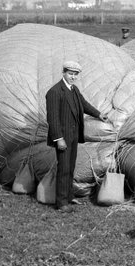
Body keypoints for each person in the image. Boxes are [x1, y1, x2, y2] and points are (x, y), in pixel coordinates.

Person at [44, 60, 108, 212]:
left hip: (73, 135)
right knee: (64, 168)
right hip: (63, 137)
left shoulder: (74, 90)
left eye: (75, 75)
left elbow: (84, 104)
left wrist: (99, 114)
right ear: (64, 73)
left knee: (70, 167)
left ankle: (69, 196)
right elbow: (52, 118)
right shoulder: (54, 92)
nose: (72, 77)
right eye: (70, 74)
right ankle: (61, 203)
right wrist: (59, 139)